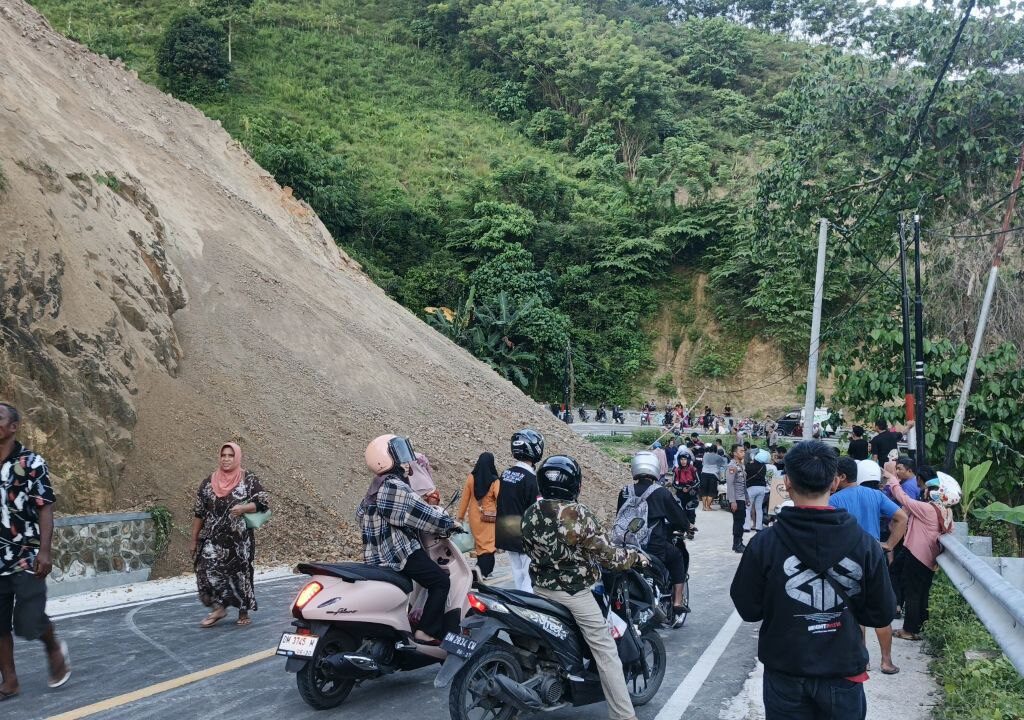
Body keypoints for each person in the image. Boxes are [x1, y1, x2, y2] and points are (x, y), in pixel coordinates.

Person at [730, 440, 897, 720]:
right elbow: (881, 612)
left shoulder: (764, 543)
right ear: (834, 482)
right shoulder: (865, 545)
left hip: (785, 669)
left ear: (787, 482)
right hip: (843, 668)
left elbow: (748, 608)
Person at [522, 456, 643, 720]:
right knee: (606, 650)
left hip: (539, 589)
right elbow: (608, 556)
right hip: (573, 592)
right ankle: (625, 715)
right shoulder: (577, 514)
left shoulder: (532, 512)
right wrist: (635, 557)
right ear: (574, 484)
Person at [0, 402, 70, 699]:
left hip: (26, 555)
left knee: (27, 624)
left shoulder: (31, 463)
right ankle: (10, 680)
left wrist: (44, 550)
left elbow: (45, 509)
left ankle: (53, 646)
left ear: (13, 427)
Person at [359, 434, 455, 644]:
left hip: (375, 557)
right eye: (398, 453)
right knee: (440, 581)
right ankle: (426, 631)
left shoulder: (375, 488)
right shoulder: (393, 486)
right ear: (385, 458)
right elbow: (422, 513)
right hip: (397, 553)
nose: (404, 459)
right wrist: (448, 523)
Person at [829, 457, 908, 675]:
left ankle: (862, 660)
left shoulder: (834, 500)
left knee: (855, 609)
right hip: (875, 554)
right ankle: (886, 661)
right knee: (881, 609)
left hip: (847, 559)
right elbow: (902, 518)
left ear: (841, 477)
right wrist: (889, 545)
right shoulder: (876, 495)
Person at [191, 442, 270, 628]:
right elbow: (199, 513)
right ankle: (219, 607)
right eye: (223, 455)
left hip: (239, 540)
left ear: (237, 458)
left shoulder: (248, 479)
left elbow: (263, 503)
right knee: (205, 571)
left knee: (240, 573)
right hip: (212, 538)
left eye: (230, 456)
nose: (226, 459)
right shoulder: (208, 482)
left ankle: (243, 610)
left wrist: (243, 508)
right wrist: (193, 539)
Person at [884, 463, 957, 641]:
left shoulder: (927, 509)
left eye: (929, 489)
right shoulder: (946, 510)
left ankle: (909, 630)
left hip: (917, 554)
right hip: (927, 555)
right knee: (921, 591)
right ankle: (920, 625)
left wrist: (893, 481)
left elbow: (904, 499)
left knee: (913, 592)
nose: (925, 491)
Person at [620, 452, 692, 626]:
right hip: (653, 547)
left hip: (627, 545)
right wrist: (688, 526)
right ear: (654, 468)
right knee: (677, 557)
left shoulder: (624, 491)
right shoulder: (661, 492)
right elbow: (678, 517)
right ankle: (676, 603)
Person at [496, 428, 544, 592]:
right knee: (529, 574)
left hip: (506, 531)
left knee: (517, 572)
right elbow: (537, 510)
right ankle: (526, 606)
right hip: (524, 534)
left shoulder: (506, 474)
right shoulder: (532, 480)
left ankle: (518, 600)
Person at [456, 452, 500, 578]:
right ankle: (484, 570)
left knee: (480, 543)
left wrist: (460, 516)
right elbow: (500, 498)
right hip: (489, 517)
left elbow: (465, 498)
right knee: (489, 544)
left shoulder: (471, 477)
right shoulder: (495, 480)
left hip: (474, 516)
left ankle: (480, 568)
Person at [725, 444, 747, 553]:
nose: (743, 453)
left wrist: (746, 498)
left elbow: (744, 484)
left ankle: (739, 542)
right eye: (741, 451)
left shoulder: (741, 465)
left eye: (744, 451)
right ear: (734, 453)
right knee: (738, 522)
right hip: (736, 499)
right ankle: (737, 544)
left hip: (741, 498)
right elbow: (730, 484)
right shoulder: (732, 466)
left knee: (741, 521)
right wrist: (732, 501)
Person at [743, 448, 769, 533]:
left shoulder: (749, 466)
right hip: (762, 488)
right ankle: (759, 527)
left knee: (747, 508)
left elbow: (745, 475)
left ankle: (746, 526)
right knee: (758, 508)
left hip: (751, 488)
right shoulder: (764, 466)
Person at [699, 441, 725, 512]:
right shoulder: (718, 457)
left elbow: (703, 463)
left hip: (704, 473)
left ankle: (704, 507)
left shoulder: (705, 455)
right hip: (713, 475)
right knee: (711, 491)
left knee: (704, 491)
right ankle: (708, 507)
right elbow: (722, 466)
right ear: (716, 450)